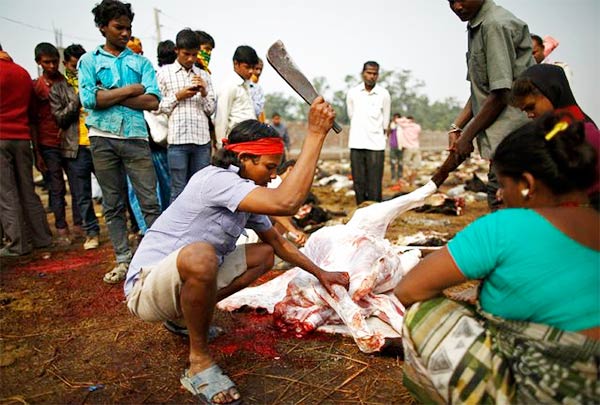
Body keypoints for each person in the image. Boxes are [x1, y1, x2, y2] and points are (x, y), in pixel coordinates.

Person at [125, 98, 349, 404]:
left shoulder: (245, 193)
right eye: (269, 167)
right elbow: (286, 203)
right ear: (244, 158)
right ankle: (199, 363)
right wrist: (315, 134)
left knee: (263, 255)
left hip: (178, 280)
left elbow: (279, 243)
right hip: (146, 289)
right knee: (201, 255)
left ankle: (182, 316)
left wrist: (321, 273)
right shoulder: (216, 180)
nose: (273, 175)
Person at [395, 114, 599, 404]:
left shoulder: (505, 227)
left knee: (423, 314)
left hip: (545, 392)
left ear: (527, 184)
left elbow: (408, 290)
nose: (500, 195)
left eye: (504, 184)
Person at [78, 0, 162, 284]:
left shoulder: (141, 62)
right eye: (118, 27)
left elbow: (152, 101)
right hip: (102, 138)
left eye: (128, 28)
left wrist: (109, 95)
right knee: (112, 204)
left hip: (136, 138)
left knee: (150, 201)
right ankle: (123, 260)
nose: (125, 33)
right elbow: (89, 99)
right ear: (103, 27)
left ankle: (157, 260)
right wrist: (131, 90)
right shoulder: (88, 61)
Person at [446, 0, 534, 209]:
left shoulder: (493, 25)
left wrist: (467, 136)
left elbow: (501, 92)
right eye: (450, 1)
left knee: (505, 212)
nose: (457, 6)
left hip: (513, 143)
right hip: (502, 144)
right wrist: (457, 126)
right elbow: (481, 90)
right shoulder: (477, 25)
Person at [510, 63, 599, 207]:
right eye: (525, 111)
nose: (530, 115)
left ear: (552, 92)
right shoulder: (553, 131)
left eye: (531, 107)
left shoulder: (581, 133)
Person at [0, 45, 53, 257]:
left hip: (1, 137)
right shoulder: (22, 73)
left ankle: (17, 244)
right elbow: (33, 112)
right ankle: (42, 237)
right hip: (23, 138)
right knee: (27, 189)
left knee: (6, 193)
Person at [49, 44, 100, 250]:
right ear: (66, 65)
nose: (77, 70)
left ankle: (128, 228)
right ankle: (92, 232)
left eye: (81, 65)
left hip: (99, 142)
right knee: (82, 195)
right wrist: (79, 98)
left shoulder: (96, 82)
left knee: (113, 189)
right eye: (73, 66)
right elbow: (60, 118)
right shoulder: (58, 89)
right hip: (75, 148)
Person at [31, 42, 83, 246]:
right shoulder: (36, 87)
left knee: (77, 184)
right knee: (56, 187)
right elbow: (33, 121)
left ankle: (79, 225)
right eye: (46, 63)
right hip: (47, 142)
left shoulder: (65, 83)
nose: (51, 66)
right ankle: (61, 227)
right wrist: (37, 152)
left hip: (69, 141)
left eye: (54, 62)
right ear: (39, 62)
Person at [157, 28, 216, 202]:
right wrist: (178, 96)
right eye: (186, 54)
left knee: (200, 190)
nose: (191, 59)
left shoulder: (203, 75)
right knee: (178, 190)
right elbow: (156, 107)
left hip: (201, 141)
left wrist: (204, 91)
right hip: (177, 141)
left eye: (194, 55)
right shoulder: (163, 73)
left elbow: (210, 109)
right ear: (177, 50)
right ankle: (176, 229)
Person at [346, 61, 391, 204]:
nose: (371, 76)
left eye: (375, 74)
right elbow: (351, 114)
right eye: (369, 73)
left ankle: (375, 213)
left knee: (375, 183)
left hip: (376, 145)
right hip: (357, 142)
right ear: (363, 73)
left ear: (378, 75)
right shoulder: (353, 93)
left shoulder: (383, 94)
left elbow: (386, 120)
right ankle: (360, 210)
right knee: (358, 181)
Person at [214, 45, 258, 145]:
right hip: (236, 140)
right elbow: (221, 118)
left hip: (249, 138)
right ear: (236, 64)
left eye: (253, 67)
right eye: (247, 67)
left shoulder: (246, 84)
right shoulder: (229, 86)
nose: (251, 71)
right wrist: (221, 144)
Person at [398, 115, 421, 186]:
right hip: (416, 148)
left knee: (406, 166)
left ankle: (407, 180)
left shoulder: (404, 126)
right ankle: (412, 182)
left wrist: (405, 120)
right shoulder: (417, 127)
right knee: (415, 166)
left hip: (408, 148)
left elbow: (397, 120)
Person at [387, 113, 403, 184]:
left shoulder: (402, 126)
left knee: (400, 163)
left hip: (400, 147)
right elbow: (388, 133)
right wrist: (390, 125)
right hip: (393, 146)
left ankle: (400, 177)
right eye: (395, 118)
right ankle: (393, 177)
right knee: (393, 163)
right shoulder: (391, 125)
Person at [249, 57, 266, 122]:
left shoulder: (259, 88)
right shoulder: (245, 85)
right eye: (256, 69)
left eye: (260, 69)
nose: (258, 72)